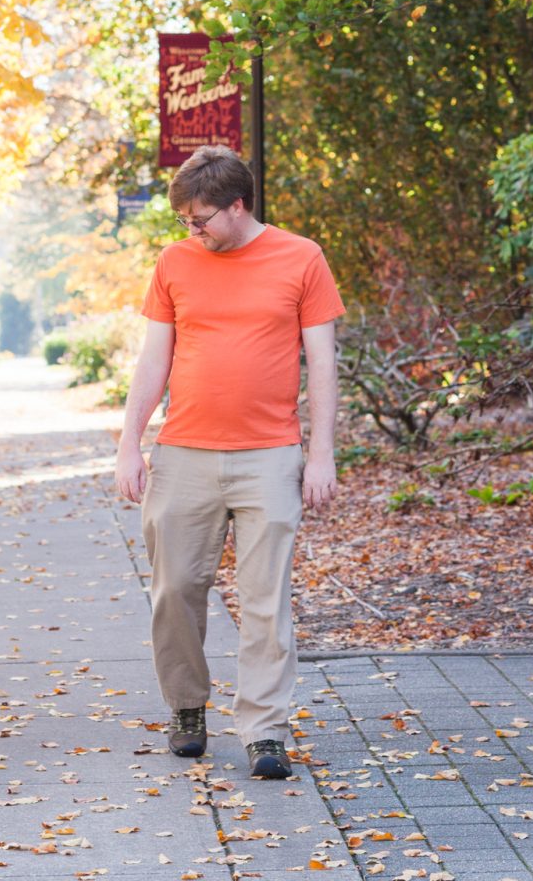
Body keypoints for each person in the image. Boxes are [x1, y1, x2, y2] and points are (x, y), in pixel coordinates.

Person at [115, 145, 342, 779]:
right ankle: (188, 706)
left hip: (269, 455)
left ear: (237, 207)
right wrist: (129, 442)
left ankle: (264, 729)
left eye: (200, 219)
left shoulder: (302, 258)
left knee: (266, 599)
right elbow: (154, 359)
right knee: (176, 590)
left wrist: (319, 454)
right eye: (186, 221)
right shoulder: (174, 262)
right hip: (183, 451)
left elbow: (321, 362)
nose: (192, 231)